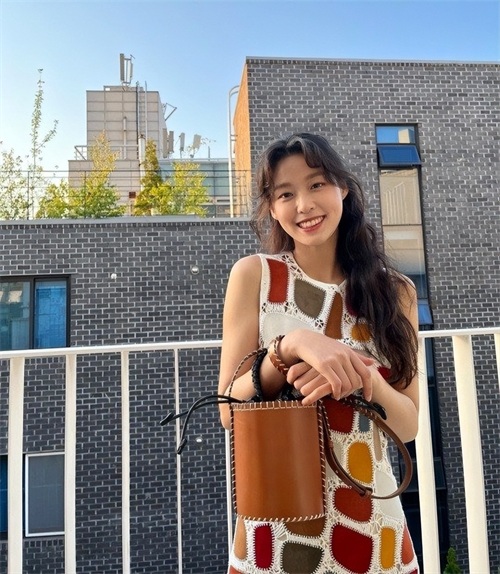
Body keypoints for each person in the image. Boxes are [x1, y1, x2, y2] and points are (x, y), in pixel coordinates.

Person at [218, 133, 420, 573]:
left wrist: (357, 375)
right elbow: (228, 410)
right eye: (285, 194)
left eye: (316, 184)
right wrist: (289, 347)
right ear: (272, 208)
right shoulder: (255, 276)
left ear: (342, 188)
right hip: (277, 527)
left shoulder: (396, 291)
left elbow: (408, 425)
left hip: (373, 525)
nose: (304, 205)